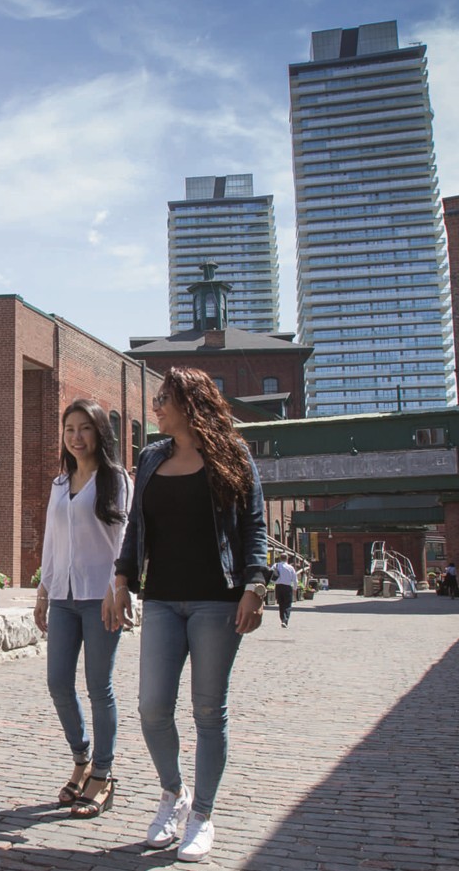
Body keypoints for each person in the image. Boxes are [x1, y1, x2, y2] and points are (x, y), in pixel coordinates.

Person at [105, 366, 267, 864]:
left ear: (189, 402)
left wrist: (256, 584)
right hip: (162, 599)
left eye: (163, 399)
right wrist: (122, 579)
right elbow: (135, 527)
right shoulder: (151, 457)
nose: (156, 407)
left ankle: (202, 814)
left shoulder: (232, 455)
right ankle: (173, 794)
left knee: (207, 710)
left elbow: (254, 525)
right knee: (152, 707)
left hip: (217, 599)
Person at [35, 398, 129, 818]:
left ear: (99, 433)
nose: (76, 437)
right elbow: (51, 540)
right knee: (58, 682)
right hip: (63, 596)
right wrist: (43, 589)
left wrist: (116, 588)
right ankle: (82, 757)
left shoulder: (116, 480)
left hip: (100, 597)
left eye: (84, 428)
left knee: (98, 686)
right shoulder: (60, 483)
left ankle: (103, 774)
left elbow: (125, 539)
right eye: (69, 429)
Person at [273, 557, 298, 628]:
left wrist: (272, 582)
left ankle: (282, 619)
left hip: (278, 587)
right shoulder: (290, 568)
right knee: (287, 604)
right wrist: (295, 588)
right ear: (287, 559)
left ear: (280, 558)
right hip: (287, 587)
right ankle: (285, 619)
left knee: (281, 604)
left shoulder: (276, 565)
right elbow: (295, 580)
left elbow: (270, 572)